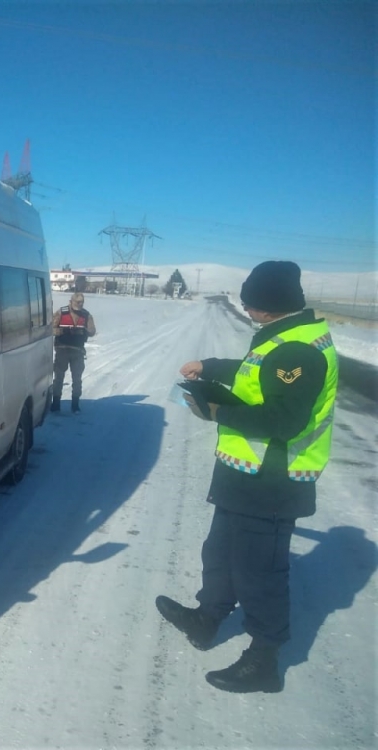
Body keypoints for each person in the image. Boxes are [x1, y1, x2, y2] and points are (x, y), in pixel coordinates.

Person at [156, 260, 338, 693]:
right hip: (246, 476)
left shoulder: (298, 350)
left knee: (260, 571)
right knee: (220, 553)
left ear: (268, 304)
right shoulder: (284, 338)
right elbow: (255, 374)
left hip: (272, 481)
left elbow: (283, 418)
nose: (245, 305)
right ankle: (207, 618)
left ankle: (264, 659)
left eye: (250, 299)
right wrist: (210, 366)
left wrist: (214, 411)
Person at [50, 291, 97, 413]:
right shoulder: (61, 312)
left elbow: (92, 331)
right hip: (62, 349)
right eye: (77, 302)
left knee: (77, 378)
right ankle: (56, 404)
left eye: (81, 303)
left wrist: (85, 331)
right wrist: (61, 331)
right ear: (71, 302)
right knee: (59, 377)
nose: (79, 305)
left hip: (78, 351)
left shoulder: (86, 315)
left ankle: (75, 405)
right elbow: (50, 328)